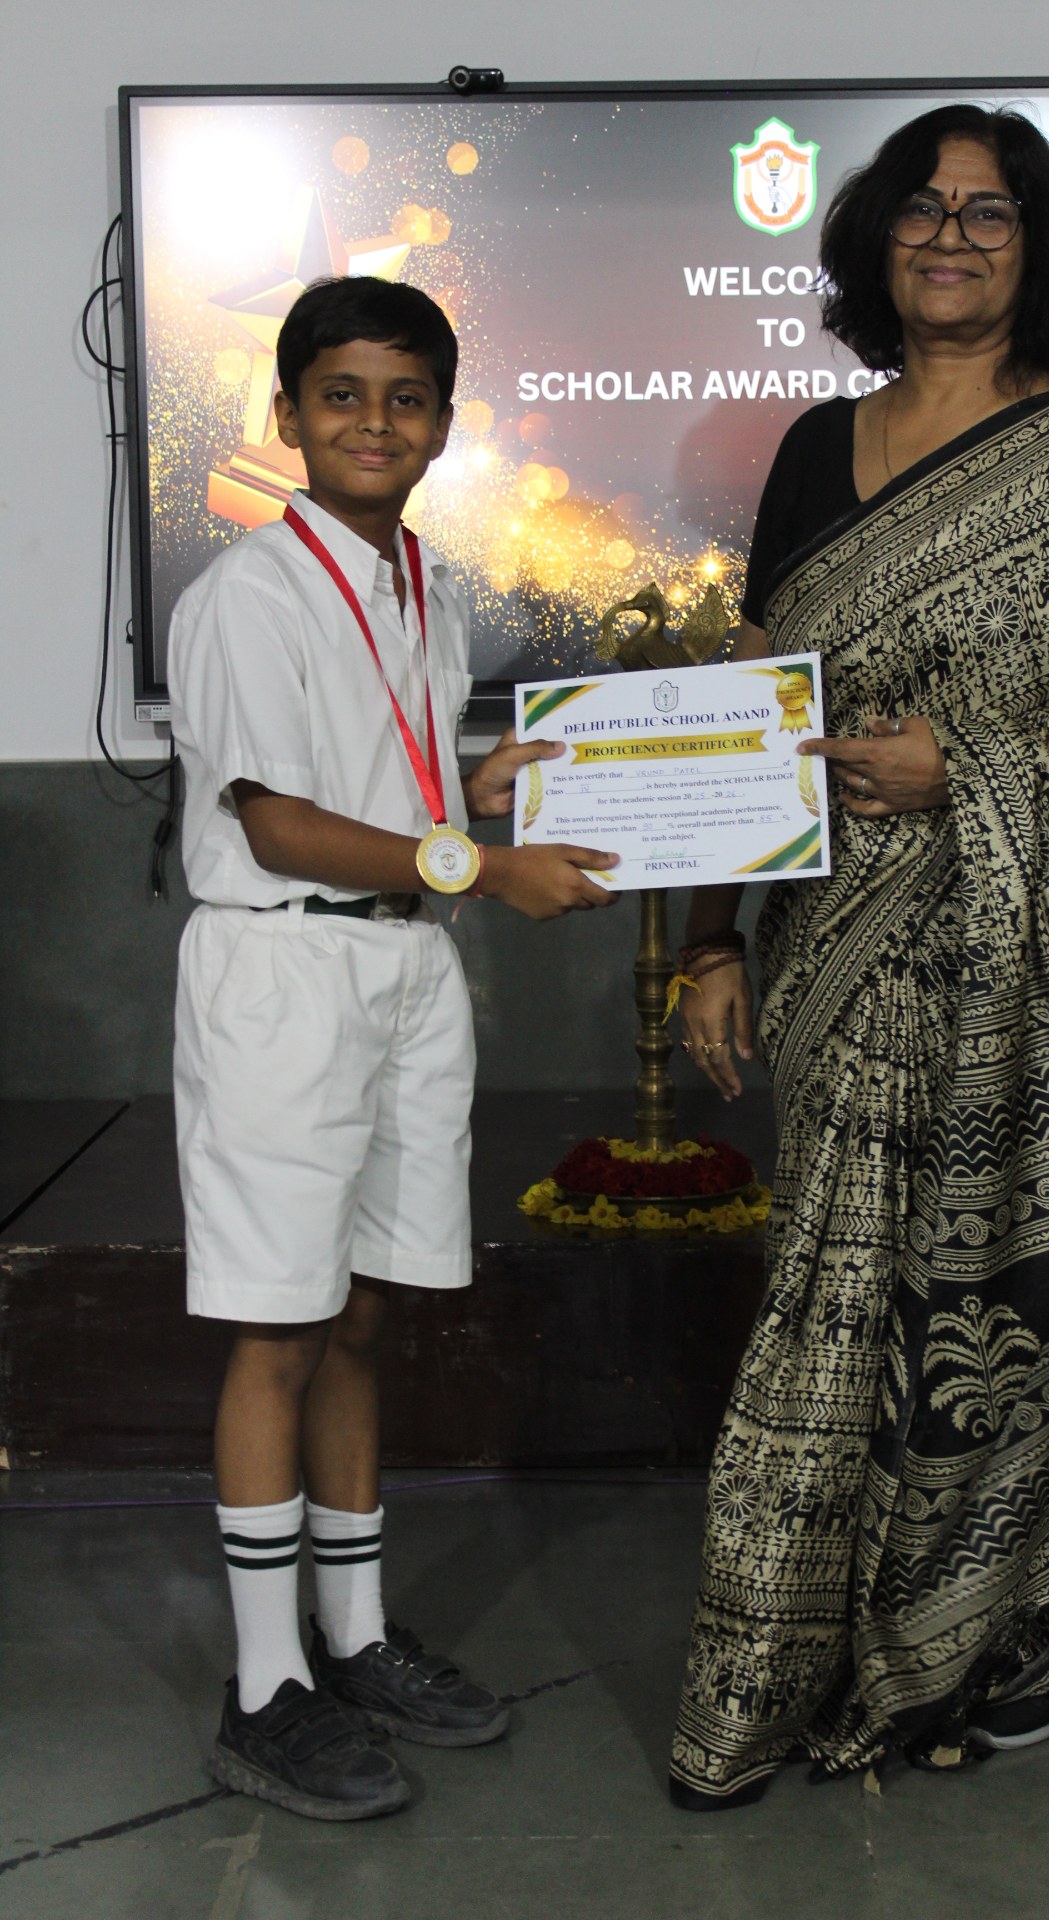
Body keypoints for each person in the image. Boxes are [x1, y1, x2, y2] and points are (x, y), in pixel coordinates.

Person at [669, 104, 1049, 1806]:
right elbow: (749, 713)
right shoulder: (811, 451)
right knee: (839, 1302)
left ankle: (1004, 1645)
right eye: (923, 208)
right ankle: (781, 1673)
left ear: (1035, 247)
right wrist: (710, 939)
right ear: (875, 240)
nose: (952, 237)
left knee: (1007, 1302)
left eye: (990, 213)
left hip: (1037, 980)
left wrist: (965, 772)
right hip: (840, 957)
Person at [168, 275, 618, 1820]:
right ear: (286, 415)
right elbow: (281, 825)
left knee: (360, 1314)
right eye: (342, 394)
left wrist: (473, 794)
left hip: (405, 970)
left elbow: (379, 787)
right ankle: (263, 1691)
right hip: (285, 971)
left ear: (443, 422)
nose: (375, 423)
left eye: (406, 397)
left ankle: (352, 1640)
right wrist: (481, 863)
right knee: (276, 1330)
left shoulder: (424, 580)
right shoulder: (247, 595)